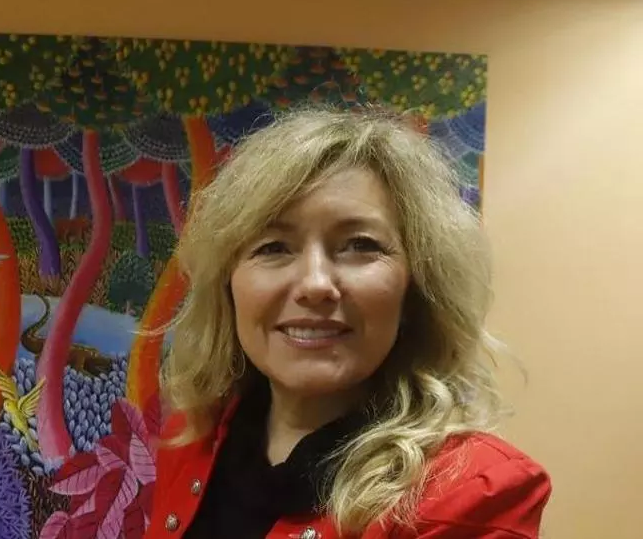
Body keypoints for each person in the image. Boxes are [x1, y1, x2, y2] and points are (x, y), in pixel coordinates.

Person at [145, 106, 552, 538]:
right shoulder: (193, 437)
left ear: (415, 287)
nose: (315, 284)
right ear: (228, 285)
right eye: (273, 247)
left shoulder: (472, 491)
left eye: (360, 245)